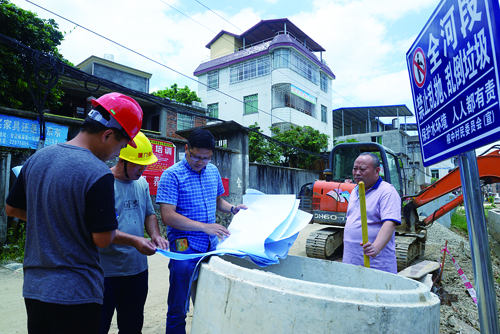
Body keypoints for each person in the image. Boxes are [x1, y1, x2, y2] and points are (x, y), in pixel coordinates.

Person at [5, 92, 143, 334]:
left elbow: (12, 208)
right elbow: (102, 239)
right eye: (120, 146)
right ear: (108, 135)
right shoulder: (98, 172)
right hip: (76, 293)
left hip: (35, 289)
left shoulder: (38, 158)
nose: (116, 154)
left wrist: (53, 219)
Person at [156, 128, 247, 334]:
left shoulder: (212, 171)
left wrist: (233, 208)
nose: (200, 162)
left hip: (210, 246)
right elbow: (168, 216)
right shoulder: (171, 175)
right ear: (186, 149)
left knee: (210, 299)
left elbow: (217, 201)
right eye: (196, 156)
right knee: (179, 302)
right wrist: (205, 227)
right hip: (183, 244)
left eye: (206, 158)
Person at [99, 132, 169, 334]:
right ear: (123, 160)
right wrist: (136, 241)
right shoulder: (103, 183)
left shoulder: (142, 183)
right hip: (106, 271)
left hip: (136, 270)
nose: (143, 169)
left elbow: (149, 214)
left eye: (145, 164)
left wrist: (155, 235)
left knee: (132, 326)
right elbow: (101, 229)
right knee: (97, 325)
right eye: (138, 165)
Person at [342, 152, 401, 274]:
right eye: (355, 169)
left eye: (362, 169)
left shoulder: (387, 191)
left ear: (377, 170)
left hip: (376, 265)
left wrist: (376, 247)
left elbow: (390, 223)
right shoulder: (355, 191)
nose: (357, 173)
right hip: (351, 263)